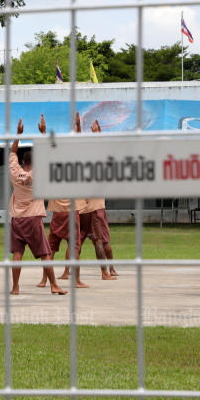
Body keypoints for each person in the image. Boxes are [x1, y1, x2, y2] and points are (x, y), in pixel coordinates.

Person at [8, 116, 67, 296]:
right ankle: (54, 285)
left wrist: (18, 134)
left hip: (17, 219)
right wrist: (43, 134)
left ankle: (15, 287)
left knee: (17, 253)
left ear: (22, 162)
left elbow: (12, 153)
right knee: (44, 253)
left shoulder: (14, 172)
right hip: (33, 218)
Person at [44, 113, 88, 288]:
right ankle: (76, 280)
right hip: (71, 211)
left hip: (57, 212)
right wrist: (78, 128)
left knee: (51, 248)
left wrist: (44, 132)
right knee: (75, 246)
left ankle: (44, 279)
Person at [77, 120, 118, 280]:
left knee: (77, 242)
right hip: (95, 208)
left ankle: (69, 271)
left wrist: (79, 129)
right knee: (100, 240)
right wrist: (97, 133)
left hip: (82, 208)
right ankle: (106, 272)